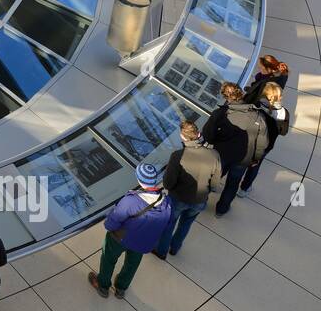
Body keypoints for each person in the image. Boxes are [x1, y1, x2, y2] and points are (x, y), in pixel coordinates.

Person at [88, 162, 172, 298]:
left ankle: (103, 285)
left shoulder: (131, 200)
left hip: (120, 238)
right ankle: (121, 288)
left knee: (108, 259)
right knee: (132, 265)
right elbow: (167, 225)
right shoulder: (166, 202)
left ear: (139, 179)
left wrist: (109, 226)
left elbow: (112, 222)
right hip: (142, 242)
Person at [153, 120, 221, 259]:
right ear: (198, 134)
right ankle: (175, 248)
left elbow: (168, 183)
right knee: (186, 224)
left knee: (169, 224)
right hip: (200, 200)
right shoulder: (214, 155)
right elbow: (215, 183)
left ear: (182, 137)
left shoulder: (178, 156)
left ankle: (161, 251)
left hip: (178, 199)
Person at [203, 81, 269, 216]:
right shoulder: (258, 116)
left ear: (225, 96)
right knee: (233, 183)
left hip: (221, 154)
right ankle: (221, 209)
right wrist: (255, 158)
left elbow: (208, 134)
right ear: (241, 93)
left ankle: (202, 201)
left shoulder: (221, 113)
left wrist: (215, 141)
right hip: (243, 158)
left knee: (211, 179)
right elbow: (262, 142)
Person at [238, 82, 289, 199]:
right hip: (266, 145)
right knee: (254, 167)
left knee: (240, 163)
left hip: (249, 140)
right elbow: (283, 132)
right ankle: (244, 189)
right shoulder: (284, 113)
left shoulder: (256, 105)